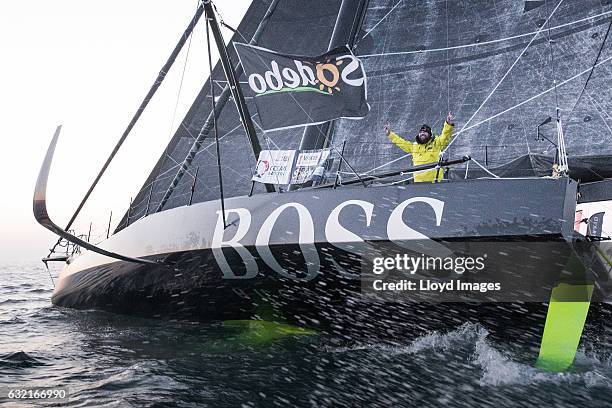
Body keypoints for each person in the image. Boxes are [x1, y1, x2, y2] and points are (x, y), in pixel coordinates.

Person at [384, 112, 455, 183]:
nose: (422, 133)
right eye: (421, 132)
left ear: (430, 134)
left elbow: (445, 136)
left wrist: (448, 124)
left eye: (425, 132)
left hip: (435, 184)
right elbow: (401, 142)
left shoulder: (437, 143)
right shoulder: (414, 147)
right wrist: (389, 134)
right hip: (418, 186)